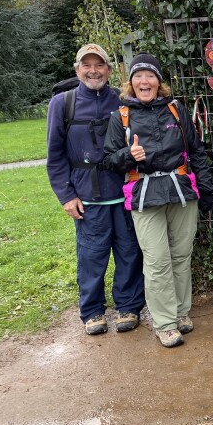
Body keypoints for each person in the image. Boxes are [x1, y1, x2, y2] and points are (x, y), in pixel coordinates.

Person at [103, 53, 213, 348]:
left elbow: (197, 151)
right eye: (138, 76)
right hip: (145, 195)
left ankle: (180, 313)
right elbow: (107, 160)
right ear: (130, 82)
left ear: (158, 81)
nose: (144, 81)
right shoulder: (120, 117)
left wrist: (205, 190)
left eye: (150, 76)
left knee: (181, 256)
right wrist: (129, 155)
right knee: (156, 260)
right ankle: (164, 324)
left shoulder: (176, 110)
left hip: (180, 192)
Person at [46, 44, 145, 335]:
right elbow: (55, 156)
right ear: (77, 70)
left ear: (109, 70)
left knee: (129, 252)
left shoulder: (123, 99)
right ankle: (92, 311)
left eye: (99, 65)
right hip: (87, 196)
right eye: (87, 66)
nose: (93, 71)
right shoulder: (63, 104)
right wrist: (66, 196)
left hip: (124, 191)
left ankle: (128, 307)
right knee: (91, 255)